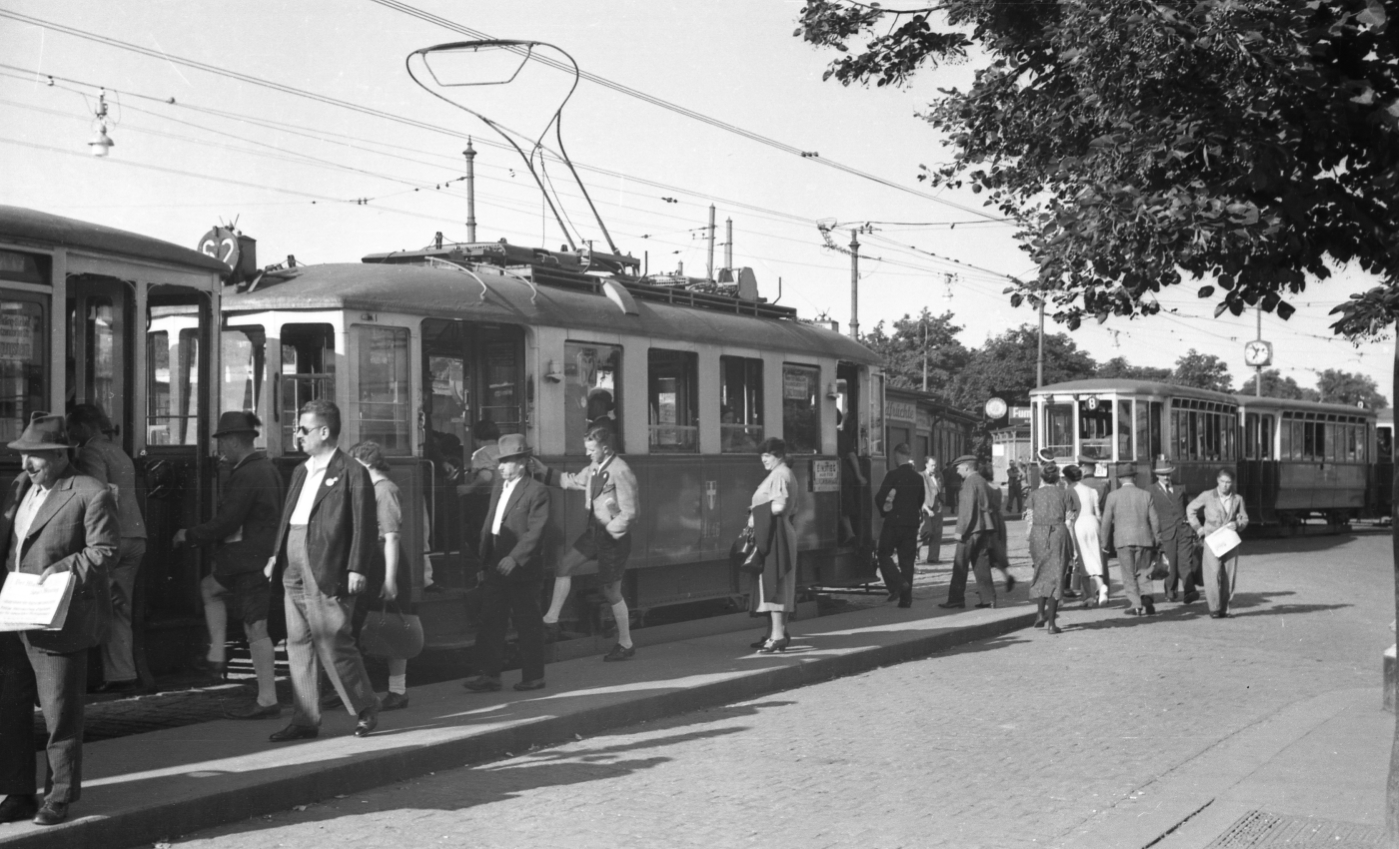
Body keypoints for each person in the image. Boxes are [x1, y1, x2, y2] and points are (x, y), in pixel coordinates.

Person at [0, 412, 119, 826]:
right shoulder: (20, 488)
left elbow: (104, 551)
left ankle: (59, 795)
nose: (25, 466)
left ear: (59, 453)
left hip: (58, 617)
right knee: (10, 709)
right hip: (14, 617)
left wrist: (63, 569)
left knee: (59, 712)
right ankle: (17, 792)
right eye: (22, 456)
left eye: (33, 457)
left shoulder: (90, 492)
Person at [264, 400, 382, 742]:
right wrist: (275, 555)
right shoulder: (302, 470)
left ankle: (366, 707)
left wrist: (357, 567)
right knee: (297, 642)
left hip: (327, 561)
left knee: (333, 640)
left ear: (324, 431)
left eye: (303, 429)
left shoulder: (351, 470)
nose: (296, 435)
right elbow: (289, 517)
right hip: (293, 559)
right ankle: (305, 719)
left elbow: (364, 524)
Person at [174, 411, 283, 719]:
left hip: (249, 561)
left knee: (255, 625)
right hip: (255, 558)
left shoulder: (248, 474)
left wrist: (190, 534)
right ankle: (217, 652)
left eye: (222, 442)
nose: (220, 449)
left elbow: (228, 521)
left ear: (235, 440)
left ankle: (266, 698)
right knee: (210, 588)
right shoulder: (265, 468)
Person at [534, 423, 640, 660]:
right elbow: (572, 481)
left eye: (591, 449)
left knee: (611, 591)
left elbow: (631, 512)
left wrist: (611, 526)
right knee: (564, 566)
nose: (587, 453)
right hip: (594, 532)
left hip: (613, 537)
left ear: (604, 447)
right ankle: (550, 621)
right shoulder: (595, 466)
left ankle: (625, 643)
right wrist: (543, 471)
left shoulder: (620, 470)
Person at [65, 403, 147, 694]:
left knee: (97, 606)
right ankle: (122, 672)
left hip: (113, 539)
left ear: (84, 427)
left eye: (71, 427)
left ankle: (95, 675)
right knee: (118, 607)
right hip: (135, 536)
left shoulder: (91, 452)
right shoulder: (119, 451)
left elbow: (96, 493)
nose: (69, 433)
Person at [463, 434, 550, 691]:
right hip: (496, 566)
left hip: (522, 570)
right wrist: (483, 563)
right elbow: (490, 526)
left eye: (505, 462)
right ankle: (490, 676)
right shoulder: (499, 487)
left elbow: (536, 531)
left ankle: (534, 676)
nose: (500, 467)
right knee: (491, 621)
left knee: (528, 623)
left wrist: (515, 557)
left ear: (522, 462)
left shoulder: (537, 491)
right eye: (500, 462)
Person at [347, 442, 412, 710]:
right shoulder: (371, 488)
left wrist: (389, 579)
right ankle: (359, 689)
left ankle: (397, 691)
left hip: (385, 563)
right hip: (373, 561)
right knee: (365, 624)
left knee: (393, 626)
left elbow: (392, 538)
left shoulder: (384, 490)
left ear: (367, 464)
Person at [748, 437, 800, 652]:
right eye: (762, 456)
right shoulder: (781, 473)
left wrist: (755, 516)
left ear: (778, 455)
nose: (763, 460)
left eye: (767, 456)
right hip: (775, 532)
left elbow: (779, 506)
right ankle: (776, 633)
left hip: (776, 533)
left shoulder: (780, 474)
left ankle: (777, 636)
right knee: (776, 583)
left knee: (775, 582)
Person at [1100, 461, 1161, 616]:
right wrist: (1157, 538)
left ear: (1120, 479)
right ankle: (1146, 596)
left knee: (1128, 574)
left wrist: (1104, 542)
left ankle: (1135, 604)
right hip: (1144, 539)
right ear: (1134, 478)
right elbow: (1154, 520)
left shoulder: (1112, 496)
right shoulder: (1146, 495)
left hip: (1123, 540)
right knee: (1144, 571)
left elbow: (1106, 521)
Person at [1187, 468, 1250, 619]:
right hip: (1212, 539)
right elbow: (1190, 509)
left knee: (1229, 575)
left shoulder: (1237, 499)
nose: (1225, 485)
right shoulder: (1207, 495)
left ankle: (1224, 609)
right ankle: (1214, 608)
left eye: (1228, 482)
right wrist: (1198, 528)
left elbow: (1244, 518)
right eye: (1222, 482)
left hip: (1230, 541)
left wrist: (1238, 524)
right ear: (1217, 481)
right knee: (1212, 573)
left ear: (1232, 483)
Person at [1024, 462, 1078, 633]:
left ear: (1042, 477)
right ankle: (1052, 624)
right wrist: (1073, 547)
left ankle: (1040, 613)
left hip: (1037, 534)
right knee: (1056, 576)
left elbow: (1029, 521)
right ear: (1057, 478)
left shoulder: (1033, 495)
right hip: (1058, 534)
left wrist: (1030, 540)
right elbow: (1069, 522)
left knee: (1040, 572)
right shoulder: (1065, 495)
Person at [939, 455, 998, 610]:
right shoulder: (982, 481)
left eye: (958, 468)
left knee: (960, 565)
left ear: (966, 467)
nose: (957, 471)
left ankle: (956, 599)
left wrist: (960, 530)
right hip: (984, 528)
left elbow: (967, 509)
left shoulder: (968, 483)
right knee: (982, 564)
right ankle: (989, 599)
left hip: (970, 530)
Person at [874, 443, 925, 607]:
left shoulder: (892, 475)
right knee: (907, 561)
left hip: (894, 522)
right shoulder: (918, 477)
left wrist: (885, 512)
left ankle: (898, 583)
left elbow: (880, 497)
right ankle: (906, 599)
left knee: (883, 553)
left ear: (897, 455)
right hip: (911, 524)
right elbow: (920, 500)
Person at [1150, 464, 1199, 605]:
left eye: (1169, 474)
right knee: (1170, 563)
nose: (1166, 477)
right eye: (1163, 474)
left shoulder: (1180, 488)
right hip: (1165, 532)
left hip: (1184, 531)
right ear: (1157, 475)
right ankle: (1171, 592)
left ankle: (1189, 591)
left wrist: (1193, 527)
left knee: (1185, 562)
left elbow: (1188, 508)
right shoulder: (1151, 491)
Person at [1064, 464, 1108, 607]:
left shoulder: (1069, 491)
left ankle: (1089, 596)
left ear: (1067, 478)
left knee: (1081, 560)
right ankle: (1101, 586)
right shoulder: (1091, 490)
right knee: (1095, 557)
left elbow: (1069, 517)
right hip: (1093, 523)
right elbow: (1098, 514)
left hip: (1079, 524)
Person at [979, 462, 1015, 592]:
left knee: (984, 552)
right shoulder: (997, 488)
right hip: (998, 520)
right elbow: (1000, 503)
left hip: (989, 520)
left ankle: (985, 585)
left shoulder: (984, 488)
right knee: (997, 551)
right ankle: (1007, 576)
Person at [918, 456, 944, 565]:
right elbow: (918, 494)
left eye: (935, 465)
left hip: (938, 506)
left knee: (937, 533)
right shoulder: (921, 475)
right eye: (932, 465)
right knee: (925, 531)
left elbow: (941, 489)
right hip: (926, 507)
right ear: (926, 465)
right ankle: (914, 553)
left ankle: (933, 558)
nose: (934, 467)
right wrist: (925, 507)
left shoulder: (939, 475)